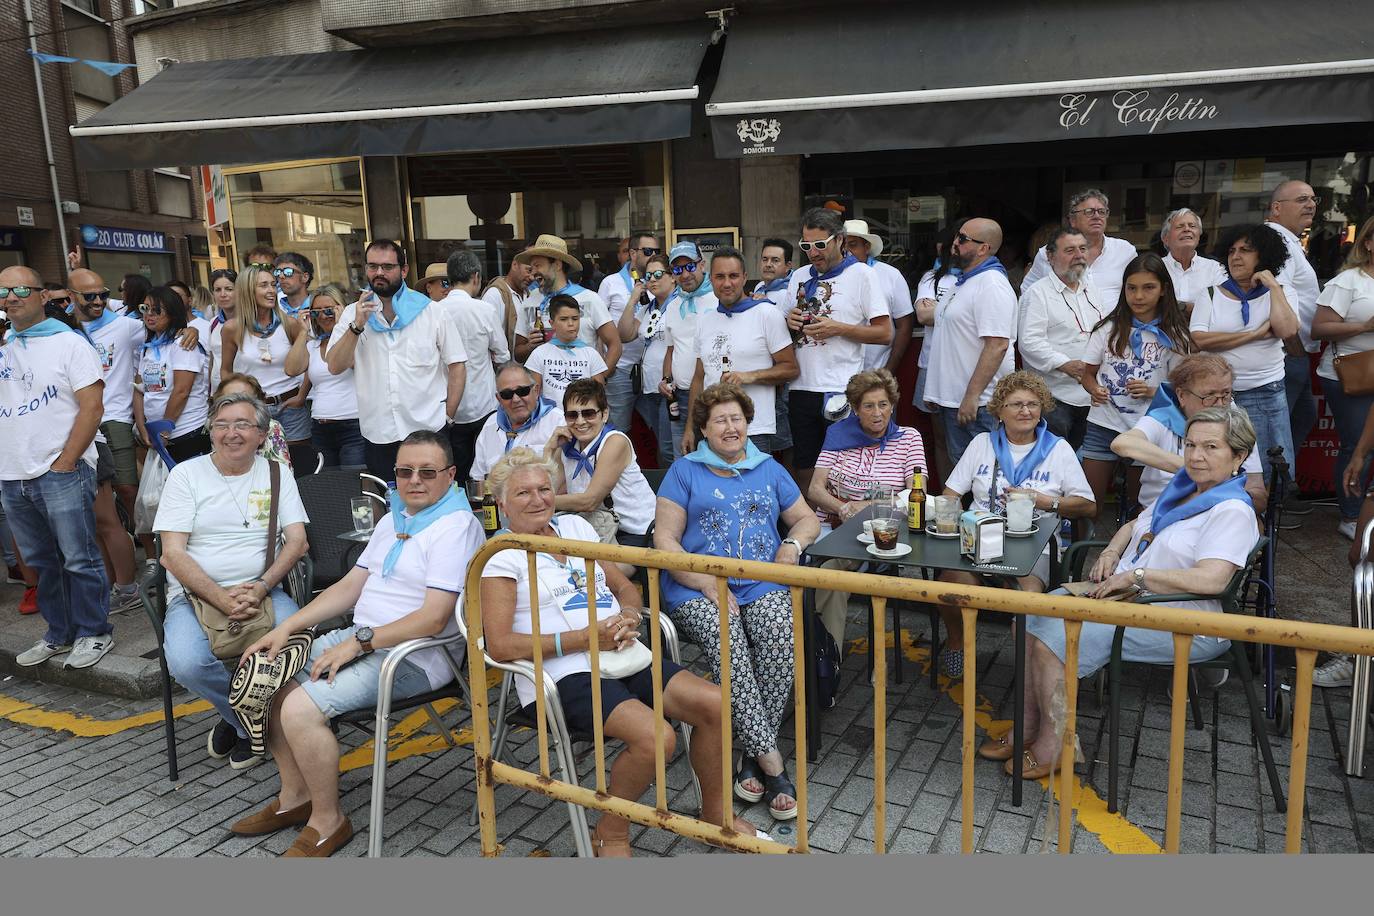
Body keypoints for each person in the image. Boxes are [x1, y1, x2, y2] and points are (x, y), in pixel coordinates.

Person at [479, 447, 769, 855]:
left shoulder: (576, 529)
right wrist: (582, 638)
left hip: (620, 651)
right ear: (502, 502)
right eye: (523, 493)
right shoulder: (499, 555)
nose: (537, 499)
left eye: (544, 489)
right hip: (561, 673)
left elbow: (624, 587)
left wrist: (631, 614)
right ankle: (611, 830)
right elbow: (500, 646)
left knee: (715, 703)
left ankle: (716, 815)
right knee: (657, 739)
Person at [234, 430, 485, 857]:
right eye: (405, 472)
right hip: (366, 639)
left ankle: (328, 822)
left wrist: (358, 644)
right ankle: (296, 797)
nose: (414, 480)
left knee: (299, 708)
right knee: (264, 676)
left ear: (451, 475)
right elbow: (352, 585)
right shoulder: (396, 518)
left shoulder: (456, 526)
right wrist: (286, 628)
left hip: (419, 655)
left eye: (427, 472)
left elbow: (434, 617)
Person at [992, 407, 1259, 778]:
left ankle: (1058, 746)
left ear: (1239, 456)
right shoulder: (1183, 490)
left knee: (1053, 638)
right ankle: (1027, 723)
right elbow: (1135, 525)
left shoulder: (1231, 510)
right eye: (1191, 445)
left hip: (1181, 619)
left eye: (1211, 447)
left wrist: (1137, 575)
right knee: (1027, 616)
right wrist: (1111, 552)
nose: (1196, 456)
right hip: (1127, 599)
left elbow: (1212, 581)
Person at [654, 382, 820, 821]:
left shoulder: (768, 467)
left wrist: (791, 546)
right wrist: (705, 581)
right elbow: (665, 540)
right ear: (704, 429)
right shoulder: (684, 470)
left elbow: (805, 518)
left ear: (748, 423)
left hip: (760, 579)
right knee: (731, 645)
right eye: (720, 420)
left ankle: (749, 754)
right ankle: (772, 764)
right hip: (695, 584)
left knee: (779, 639)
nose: (730, 427)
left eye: (737, 419)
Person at [154, 393, 309, 770]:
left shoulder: (276, 472)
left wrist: (259, 586)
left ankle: (249, 722)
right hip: (194, 596)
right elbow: (171, 554)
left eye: (242, 425)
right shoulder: (185, 475)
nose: (231, 433)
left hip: (264, 589)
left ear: (261, 435)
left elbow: (298, 542)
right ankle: (248, 723)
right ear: (210, 432)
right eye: (221, 425)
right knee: (187, 662)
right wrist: (223, 599)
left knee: (297, 652)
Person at [936, 372, 1095, 677]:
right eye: (1017, 404)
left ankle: (1029, 676)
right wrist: (953, 520)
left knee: (1027, 601)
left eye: (1033, 404)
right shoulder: (983, 443)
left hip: (1034, 548)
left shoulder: (1058, 449)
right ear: (999, 410)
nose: (1026, 411)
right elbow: (950, 495)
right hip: (980, 543)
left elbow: (1089, 506)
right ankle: (958, 643)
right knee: (947, 585)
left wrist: (1046, 501)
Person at [0, 266, 114, 669]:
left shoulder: (69, 343)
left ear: (42, 294)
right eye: (3, 291)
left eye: (19, 289)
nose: (10, 297)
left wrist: (65, 462)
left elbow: (92, 406)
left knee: (78, 557)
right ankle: (59, 633)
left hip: (59, 470)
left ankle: (94, 631)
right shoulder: (6, 344)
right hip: (13, 474)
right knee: (42, 562)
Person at [326, 239, 467, 481]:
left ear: (403, 271)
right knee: (389, 504)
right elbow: (335, 366)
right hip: (379, 434)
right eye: (372, 266)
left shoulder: (432, 312)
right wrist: (357, 326)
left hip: (428, 430)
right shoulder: (353, 314)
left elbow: (457, 366)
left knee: (434, 502)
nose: (379, 273)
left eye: (387, 266)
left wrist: (447, 416)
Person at [807, 369, 926, 649]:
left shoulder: (909, 439)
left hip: (881, 533)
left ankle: (820, 657)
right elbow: (815, 489)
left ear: (893, 406)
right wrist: (843, 508)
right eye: (868, 406)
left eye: (883, 405)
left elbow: (915, 494)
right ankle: (813, 652)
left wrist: (866, 508)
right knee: (802, 570)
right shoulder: (838, 435)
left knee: (829, 573)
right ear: (856, 410)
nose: (877, 413)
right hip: (830, 526)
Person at [781, 208, 892, 487]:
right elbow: (782, 332)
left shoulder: (862, 275)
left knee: (844, 470)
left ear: (840, 240)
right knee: (804, 467)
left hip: (842, 387)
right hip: (801, 387)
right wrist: (788, 321)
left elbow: (885, 332)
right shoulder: (799, 276)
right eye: (806, 246)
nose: (813, 252)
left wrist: (839, 328)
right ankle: (815, 530)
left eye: (820, 245)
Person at [1079, 254, 1193, 525]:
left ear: (1164, 289)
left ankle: (1130, 559)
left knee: (1141, 508)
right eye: (1132, 288)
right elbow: (1087, 374)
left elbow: (1184, 387)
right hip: (1102, 424)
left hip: (1150, 426)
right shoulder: (1107, 328)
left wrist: (1153, 391)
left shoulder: (1175, 335)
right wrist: (1094, 389)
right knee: (1086, 505)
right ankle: (1075, 561)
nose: (1138, 296)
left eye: (1148, 287)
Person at [1190, 224, 1299, 483]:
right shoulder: (1210, 293)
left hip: (1266, 391)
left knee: (1273, 469)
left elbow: (1287, 329)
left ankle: (1268, 521)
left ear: (1264, 256)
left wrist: (1273, 286)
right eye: (1232, 250)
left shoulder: (1282, 292)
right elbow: (1200, 339)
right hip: (1218, 395)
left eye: (1245, 250)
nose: (1236, 256)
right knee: (1227, 468)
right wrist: (1254, 335)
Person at [1111, 353, 1267, 511]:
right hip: (1159, 512)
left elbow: (1258, 494)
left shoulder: (1235, 422)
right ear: (1181, 395)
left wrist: (1225, 499)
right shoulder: (1164, 416)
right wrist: (1197, 468)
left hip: (1220, 510)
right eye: (1209, 395)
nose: (1220, 405)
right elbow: (1122, 444)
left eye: (1226, 394)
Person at [685, 247, 798, 455]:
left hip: (753, 429)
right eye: (720, 276)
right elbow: (699, 378)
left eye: (733, 276)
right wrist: (690, 428)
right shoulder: (705, 319)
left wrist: (748, 377)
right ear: (711, 279)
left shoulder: (766, 314)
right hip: (711, 430)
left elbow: (791, 369)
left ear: (745, 277)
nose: (727, 283)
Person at [923, 218, 1016, 466]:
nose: (954, 243)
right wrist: (935, 389)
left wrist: (972, 396)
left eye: (962, 239)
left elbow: (997, 345)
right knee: (965, 475)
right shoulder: (963, 281)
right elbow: (948, 339)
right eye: (957, 236)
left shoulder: (991, 285)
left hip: (980, 405)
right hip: (957, 401)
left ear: (984, 248)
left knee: (986, 477)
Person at [1310, 215, 1374, 540]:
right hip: (1352, 374)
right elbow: (1319, 328)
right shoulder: (1349, 281)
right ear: (1368, 243)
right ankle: (1351, 516)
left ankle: (1367, 513)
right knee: (1358, 445)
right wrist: (1364, 327)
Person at [544, 378, 655, 558]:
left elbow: (589, 501)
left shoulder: (615, 441)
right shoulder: (566, 445)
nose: (580, 422)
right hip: (597, 529)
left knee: (586, 569)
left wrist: (542, 502)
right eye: (572, 415)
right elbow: (547, 488)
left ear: (604, 414)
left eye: (588, 413)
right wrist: (549, 450)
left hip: (637, 534)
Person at [1016, 227, 1105, 450]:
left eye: (1083, 249)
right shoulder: (1037, 293)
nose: (1079, 255)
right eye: (1070, 250)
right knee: (1053, 462)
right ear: (1050, 256)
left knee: (1087, 462)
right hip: (1055, 399)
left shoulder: (1092, 289)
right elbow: (1029, 342)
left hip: (1092, 396)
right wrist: (1065, 364)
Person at [221, 265, 312, 468]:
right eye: (263, 285)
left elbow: (310, 364)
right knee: (260, 471)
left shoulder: (290, 324)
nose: (271, 290)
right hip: (252, 409)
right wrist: (230, 404)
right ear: (248, 290)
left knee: (300, 469)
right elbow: (226, 370)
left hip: (291, 406)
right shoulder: (232, 328)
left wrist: (301, 396)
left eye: (273, 285)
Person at [436, 250, 510, 483]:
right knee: (486, 474)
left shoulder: (435, 311)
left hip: (448, 407)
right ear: (476, 277)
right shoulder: (484, 310)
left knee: (454, 474)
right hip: (484, 405)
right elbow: (503, 354)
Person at [1266, 180, 1322, 481]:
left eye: (1313, 199)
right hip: (1288, 353)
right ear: (1277, 208)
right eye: (1301, 199)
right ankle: (1272, 499)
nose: (1310, 204)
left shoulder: (1288, 240)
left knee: (1302, 417)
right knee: (1277, 432)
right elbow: (1278, 296)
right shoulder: (1279, 241)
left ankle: (1279, 494)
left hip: (1294, 353)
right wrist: (1294, 348)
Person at [512, 234, 621, 371]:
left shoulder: (590, 299)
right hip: (544, 390)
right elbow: (517, 353)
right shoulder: (529, 302)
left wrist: (600, 379)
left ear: (557, 264)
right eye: (532, 267)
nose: (533, 273)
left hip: (582, 389)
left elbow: (615, 344)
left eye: (538, 265)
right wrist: (529, 346)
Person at [282, 283, 363, 468]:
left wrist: (344, 326)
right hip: (320, 426)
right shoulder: (313, 345)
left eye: (329, 310)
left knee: (354, 482)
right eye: (315, 312)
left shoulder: (357, 340)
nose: (322, 317)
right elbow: (292, 370)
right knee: (327, 487)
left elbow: (350, 364)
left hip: (353, 424)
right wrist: (303, 332)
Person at [133, 286, 213, 464]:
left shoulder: (183, 344)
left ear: (173, 312)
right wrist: (142, 427)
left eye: (157, 310)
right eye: (145, 308)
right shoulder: (149, 347)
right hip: (159, 436)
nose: (149, 314)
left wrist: (164, 429)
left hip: (186, 432)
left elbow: (182, 391)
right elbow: (139, 389)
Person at [1021, 189, 1138, 306]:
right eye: (1089, 212)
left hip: (1115, 323)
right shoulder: (1050, 253)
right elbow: (1028, 294)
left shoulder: (1125, 251)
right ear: (1073, 220)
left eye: (1102, 212)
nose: (1097, 216)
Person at [617, 253, 678, 467]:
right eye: (648, 275)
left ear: (673, 277)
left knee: (671, 449)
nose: (652, 279)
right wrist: (633, 299)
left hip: (671, 388)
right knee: (662, 446)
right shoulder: (648, 308)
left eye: (658, 274)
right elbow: (624, 334)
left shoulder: (680, 303)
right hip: (649, 389)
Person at [600, 231, 661, 433]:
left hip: (652, 370)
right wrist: (605, 368)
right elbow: (598, 328)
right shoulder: (610, 283)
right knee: (618, 430)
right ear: (633, 254)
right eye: (648, 251)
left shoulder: (659, 281)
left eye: (657, 251)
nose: (653, 255)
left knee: (658, 431)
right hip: (621, 369)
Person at [912, 229, 960, 478]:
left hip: (967, 368)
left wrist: (940, 310)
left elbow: (935, 314)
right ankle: (948, 499)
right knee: (941, 439)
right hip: (932, 365)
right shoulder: (931, 277)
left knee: (975, 439)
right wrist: (957, 312)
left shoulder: (985, 277)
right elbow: (923, 316)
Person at [469, 362, 563, 484]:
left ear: (536, 391)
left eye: (522, 391)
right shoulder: (490, 426)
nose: (516, 399)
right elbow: (478, 479)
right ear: (499, 399)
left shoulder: (558, 422)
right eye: (507, 394)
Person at [662, 241, 713, 458]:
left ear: (702, 265)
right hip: (679, 398)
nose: (685, 274)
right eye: (677, 269)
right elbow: (671, 349)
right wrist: (666, 379)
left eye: (690, 266)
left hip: (713, 394)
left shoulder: (718, 299)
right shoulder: (673, 305)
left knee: (714, 458)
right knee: (681, 458)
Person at [844, 219, 915, 373]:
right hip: (838, 376)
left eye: (853, 244)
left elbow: (904, 326)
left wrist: (888, 370)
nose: (847, 251)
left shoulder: (891, 275)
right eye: (842, 245)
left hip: (877, 372)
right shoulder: (832, 278)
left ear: (867, 247)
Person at [749, 238, 797, 462]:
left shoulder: (791, 291)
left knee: (786, 439)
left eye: (775, 260)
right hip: (764, 371)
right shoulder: (759, 288)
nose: (768, 264)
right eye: (765, 259)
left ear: (788, 265)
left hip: (784, 375)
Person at [525, 295, 610, 407]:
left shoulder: (591, 354)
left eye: (575, 318)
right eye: (563, 319)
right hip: (550, 418)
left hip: (583, 418)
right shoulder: (539, 354)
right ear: (552, 323)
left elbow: (599, 396)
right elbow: (533, 395)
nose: (571, 324)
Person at [213, 374, 293, 467]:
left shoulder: (271, 427)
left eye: (244, 399)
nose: (236, 403)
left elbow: (281, 472)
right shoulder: (213, 425)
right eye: (230, 398)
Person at [1159, 208, 1223, 313]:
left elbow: (1222, 306)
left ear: (1198, 236)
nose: (1187, 229)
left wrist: (1180, 306)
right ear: (1166, 239)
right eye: (1180, 226)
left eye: (1192, 226)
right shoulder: (1155, 268)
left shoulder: (1215, 268)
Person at [480, 254, 534, 356]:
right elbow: (488, 339)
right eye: (529, 270)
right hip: (504, 368)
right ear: (514, 265)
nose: (531, 277)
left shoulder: (530, 295)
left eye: (534, 273)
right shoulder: (494, 295)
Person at [205, 268, 238, 374]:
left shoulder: (250, 322)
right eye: (218, 290)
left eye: (229, 289)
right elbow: (212, 359)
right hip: (218, 387)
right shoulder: (213, 323)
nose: (223, 294)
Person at [273, 252, 314, 317]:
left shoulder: (318, 307)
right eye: (278, 272)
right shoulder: (274, 311)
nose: (281, 276)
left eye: (288, 272)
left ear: (305, 277)